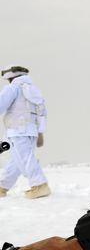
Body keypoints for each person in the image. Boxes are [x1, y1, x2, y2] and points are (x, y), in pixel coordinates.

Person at [0, 66, 51, 199]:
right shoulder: (34, 90)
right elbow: (42, 113)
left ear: (10, 77)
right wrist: (40, 133)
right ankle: (2, 187)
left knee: (25, 158)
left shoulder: (13, 88)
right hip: (31, 131)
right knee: (16, 160)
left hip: (17, 130)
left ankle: (40, 185)